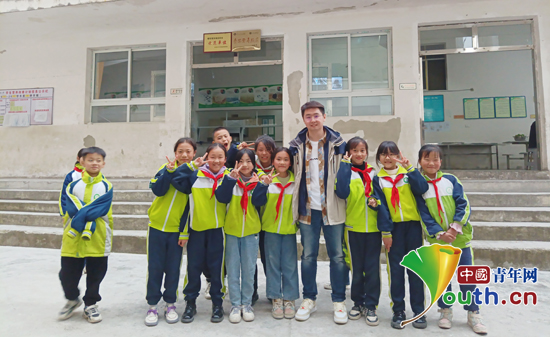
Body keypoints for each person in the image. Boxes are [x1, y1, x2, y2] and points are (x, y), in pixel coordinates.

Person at [414, 144, 488, 335]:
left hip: (460, 239)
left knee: (467, 277)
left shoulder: (451, 180)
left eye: (435, 159)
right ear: (420, 161)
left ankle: (473, 312)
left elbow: (464, 204)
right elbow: (424, 214)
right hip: (438, 241)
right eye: (427, 159)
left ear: (441, 161)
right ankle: (445, 311)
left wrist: (455, 229)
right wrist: (440, 234)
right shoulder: (419, 186)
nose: (431, 163)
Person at [289, 101, 348, 324]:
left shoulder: (339, 145)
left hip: (332, 208)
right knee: (308, 256)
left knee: (338, 256)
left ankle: (339, 301)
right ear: (303, 119)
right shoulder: (295, 146)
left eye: (316, 116)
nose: (313, 120)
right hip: (307, 209)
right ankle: (309, 298)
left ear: (324, 117)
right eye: (308, 116)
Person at [372, 141, 426, 329]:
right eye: (383, 154)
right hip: (393, 229)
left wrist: (410, 168)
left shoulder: (408, 174)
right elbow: (381, 208)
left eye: (392, 153)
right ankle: (399, 311)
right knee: (395, 271)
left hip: (412, 228)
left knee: (416, 270)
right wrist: (386, 232)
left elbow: (422, 188)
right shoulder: (377, 179)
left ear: (398, 155)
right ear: (378, 158)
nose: (388, 158)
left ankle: (419, 310)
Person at [171, 143, 228, 323]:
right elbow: (176, 181)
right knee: (193, 268)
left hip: (219, 232)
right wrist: (190, 167)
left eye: (220, 157)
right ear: (206, 157)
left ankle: (218, 304)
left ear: (225, 159)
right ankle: (190, 304)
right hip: (196, 230)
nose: (216, 160)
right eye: (213, 156)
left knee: (217, 269)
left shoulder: (229, 176)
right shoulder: (195, 175)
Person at [144, 138, 197, 326]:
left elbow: (190, 204)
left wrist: (184, 232)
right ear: (175, 153)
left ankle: (170, 304)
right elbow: (158, 190)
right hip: (156, 228)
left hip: (177, 232)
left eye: (188, 151)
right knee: (155, 268)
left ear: (194, 154)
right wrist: (169, 171)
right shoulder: (164, 168)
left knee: (173, 269)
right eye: (180, 151)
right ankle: (152, 305)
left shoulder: (194, 175)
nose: (184, 155)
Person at [58, 147, 113, 324]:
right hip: (73, 236)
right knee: (67, 274)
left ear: (103, 163)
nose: (94, 163)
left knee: (96, 273)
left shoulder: (106, 186)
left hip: (97, 236)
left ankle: (91, 304)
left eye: (98, 160)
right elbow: (70, 208)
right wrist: (84, 214)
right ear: (81, 161)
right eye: (90, 160)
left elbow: (101, 209)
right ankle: (73, 298)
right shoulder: (72, 185)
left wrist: (83, 213)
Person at [335, 137, 383, 326]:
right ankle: (357, 302)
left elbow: (381, 199)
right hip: (353, 227)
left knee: (372, 269)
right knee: (356, 268)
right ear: (348, 153)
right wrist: (345, 166)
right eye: (354, 150)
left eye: (362, 150)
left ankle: (371, 305)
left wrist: (376, 203)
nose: (359, 154)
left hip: (373, 228)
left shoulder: (373, 173)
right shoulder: (345, 172)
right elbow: (342, 192)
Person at [252, 147, 299, 319]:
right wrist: (263, 184)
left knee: (289, 265)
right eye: (278, 159)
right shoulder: (267, 180)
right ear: (273, 162)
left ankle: (290, 298)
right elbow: (256, 200)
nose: (282, 163)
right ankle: (276, 298)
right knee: (272, 265)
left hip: (289, 230)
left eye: (286, 159)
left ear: (290, 163)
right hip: (269, 230)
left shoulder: (296, 182)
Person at [216, 149, 261, 323]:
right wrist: (230, 180)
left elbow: (260, 202)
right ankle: (235, 304)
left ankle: (247, 304)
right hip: (232, 231)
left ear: (253, 164)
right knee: (233, 269)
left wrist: (262, 186)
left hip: (251, 232)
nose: (245, 165)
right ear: (235, 163)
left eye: (249, 161)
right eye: (241, 161)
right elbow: (221, 198)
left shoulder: (259, 181)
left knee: (249, 270)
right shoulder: (228, 179)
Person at [251, 135, 276, 304]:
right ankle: (251, 292)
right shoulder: (250, 168)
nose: (264, 153)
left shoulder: (281, 166)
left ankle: (273, 290)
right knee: (250, 258)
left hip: (270, 221)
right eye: (260, 150)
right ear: (255, 151)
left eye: (268, 150)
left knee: (269, 258)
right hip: (252, 220)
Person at [59, 148, 85, 221]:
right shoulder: (71, 176)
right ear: (78, 158)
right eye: (84, 158)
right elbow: (64, 195)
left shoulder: (96, 176)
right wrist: (64, 213)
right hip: (73, 212)